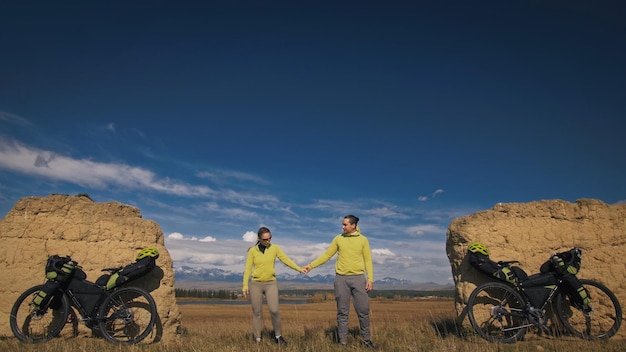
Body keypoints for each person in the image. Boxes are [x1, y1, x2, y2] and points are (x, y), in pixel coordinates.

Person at [303, 215, 375, 349]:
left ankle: (366, 340)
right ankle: (342, 342)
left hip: (359, 278)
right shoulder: (338, 239)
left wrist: (370, 279)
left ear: (353, 226)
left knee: (363, 311)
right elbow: (326, 255)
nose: (342, 227)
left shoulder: (363, 240)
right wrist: (311, 265)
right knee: (342, 312)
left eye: (345, 225)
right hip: (341, 279)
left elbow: (368, 260)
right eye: (342, 224)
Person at [243, 226, 304, 345]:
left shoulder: (275, 248)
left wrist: (299, 269)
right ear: (259, 239)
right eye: (265, 239)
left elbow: (286, 260)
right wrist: (245, 285)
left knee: (275, 310)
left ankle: (278, 336)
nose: (268, 241)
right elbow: (248, 269)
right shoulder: (252, 251)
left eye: (269, 238)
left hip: (271, 283)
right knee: (257, 312)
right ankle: (258, 339)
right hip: (256, 284)